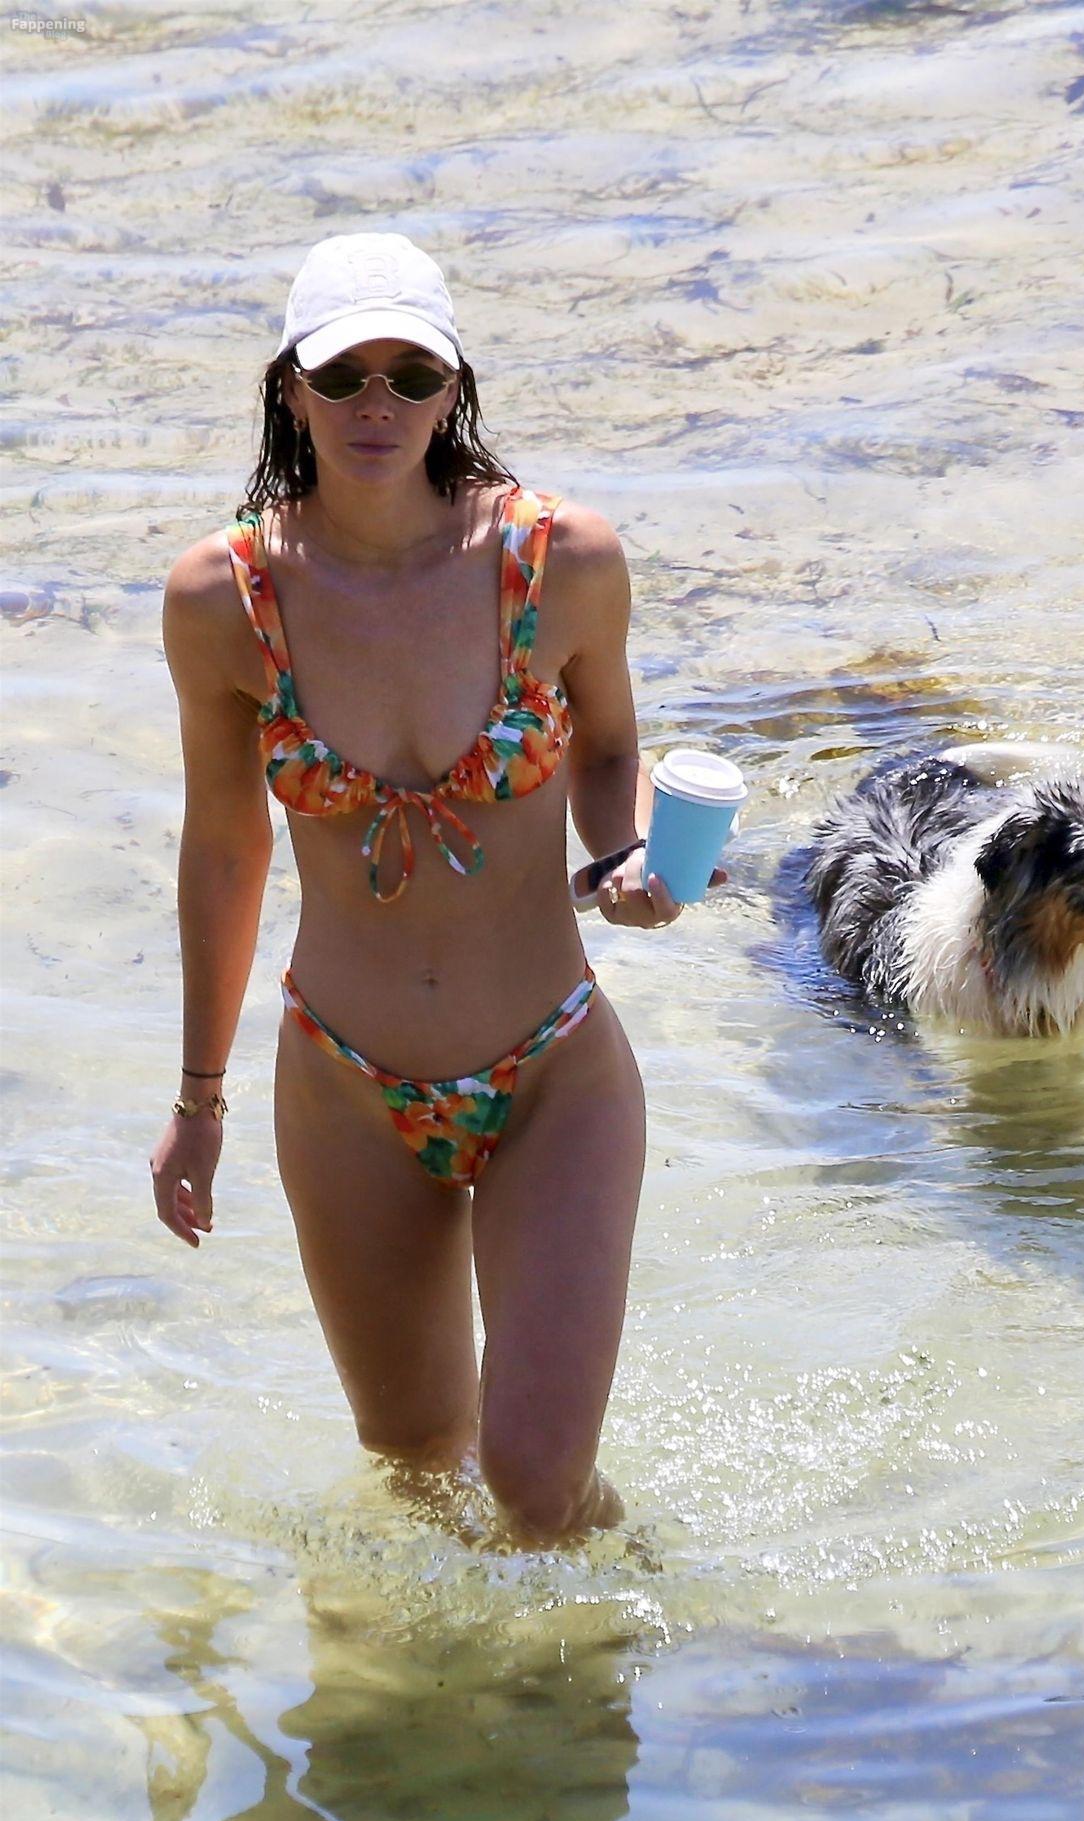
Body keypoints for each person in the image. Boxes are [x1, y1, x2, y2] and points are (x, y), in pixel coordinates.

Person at [148, 232, 727, 1547]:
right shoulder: (223, 600)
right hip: (345, 1087)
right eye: (343, 374)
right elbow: (224, 847)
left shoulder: (560, 560)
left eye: (411, 376)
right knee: (415, 1468)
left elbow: (613, 752)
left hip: (550, 1074)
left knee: (535, 1482)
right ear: (290, 389)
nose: (378, 404)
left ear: (453, 388)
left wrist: (628, 855)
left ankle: (632, 1631)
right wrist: (197, 1104)